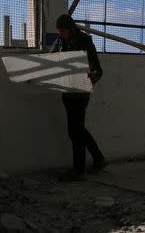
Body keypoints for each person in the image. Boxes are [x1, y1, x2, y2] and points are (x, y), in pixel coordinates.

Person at [51, 14, 107, 181]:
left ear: (71, 28)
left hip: (80, 92)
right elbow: (50, 59)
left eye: (63, 30)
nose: (61, 33)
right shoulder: (60, 41)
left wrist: (93, 76)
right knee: (77, 129)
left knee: (75, 131)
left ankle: (79, 170)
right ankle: (98, 158)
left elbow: (98, 70)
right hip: (67, 90)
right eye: (59, 31)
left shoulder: (84, 41)